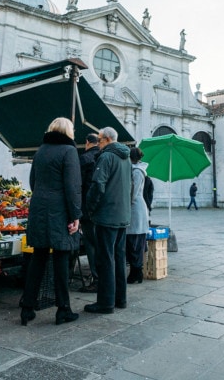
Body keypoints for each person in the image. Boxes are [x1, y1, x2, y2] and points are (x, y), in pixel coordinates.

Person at [20, 118, 82, 326]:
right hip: (59, 210)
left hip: (39, 207)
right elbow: (72, 186)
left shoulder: (41, 151)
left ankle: (27, 308)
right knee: (61, 260)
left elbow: (32, 182)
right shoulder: (69, 151)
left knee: (38, 258)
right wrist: (76, 215)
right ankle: (63, 309)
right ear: (68, 131)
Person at [84, 127, 132, 314]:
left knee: (105, 259)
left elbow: (98, 184)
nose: (98, 143)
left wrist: (90, 208)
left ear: (106, 139)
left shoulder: (106, 157)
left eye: (99, 139)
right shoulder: (126, 157)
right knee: (119, 258)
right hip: (122, 215)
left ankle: (105, 303)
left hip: (107, 215)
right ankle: (120, 299)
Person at [78, 134, 101, 293]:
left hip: (87, 209)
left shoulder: (84, 159)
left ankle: (97, 279)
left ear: (87, 142)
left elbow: (77, 185)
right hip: (103, 209)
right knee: (101, 244)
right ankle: (103, 278)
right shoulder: (104, 158)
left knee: (91, 245)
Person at [126, 148, 150, 284]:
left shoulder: (137, 171)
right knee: (134, 242)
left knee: (135, 242)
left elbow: (133, 193)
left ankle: (136, 273)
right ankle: (136, 273)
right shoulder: (136, 170)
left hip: (136, 209)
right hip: (136, 208)